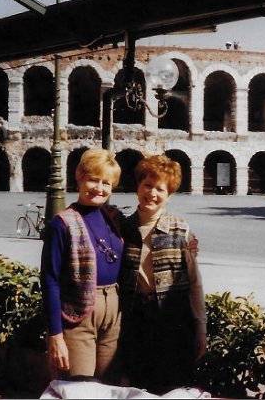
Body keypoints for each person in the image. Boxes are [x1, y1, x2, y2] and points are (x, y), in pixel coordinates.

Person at [118, 154, 207, 394]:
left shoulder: (180, 230)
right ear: (138, 186)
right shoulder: (122, 229)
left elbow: (194, 283)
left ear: (169, 195)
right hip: (134, 322)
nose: (152, 193)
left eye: (160, 189)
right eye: (147, 185)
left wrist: (201, 327)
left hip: (173, 323)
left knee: (171, 388)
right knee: (135, 388)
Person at [40, 148, 124, 383]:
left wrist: (188, 244)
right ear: (79, 178)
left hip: (113, 314)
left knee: (110, 387)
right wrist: (56, 336)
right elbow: (50, 281)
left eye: (106, 183)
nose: (99, 188)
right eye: (93, 180)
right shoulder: (61, 224)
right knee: (79, 386)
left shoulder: (113, 218)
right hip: (77, 317)